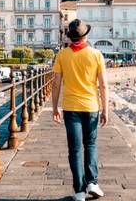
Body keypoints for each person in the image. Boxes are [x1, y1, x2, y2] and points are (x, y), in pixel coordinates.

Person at [52, 19, 108, 201]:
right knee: (90, 145)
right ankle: (92, 182)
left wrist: (54, 108)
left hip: (70, 107)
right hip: (91, 106)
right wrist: (105, 110)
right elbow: (103, 86)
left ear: (70, 37)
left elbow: (55, 84)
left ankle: (79, 192)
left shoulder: (62, 55)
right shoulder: (96, 54)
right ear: (86, 36)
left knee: (75, 150)